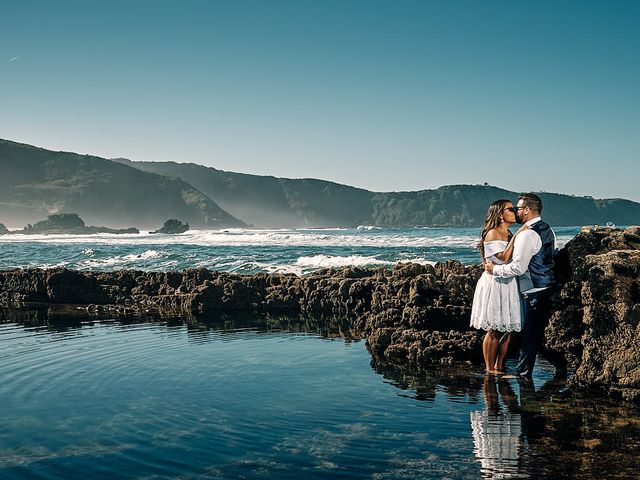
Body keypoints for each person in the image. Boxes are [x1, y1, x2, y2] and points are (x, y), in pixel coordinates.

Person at [485, 193, 556, 377]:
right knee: (531, 333)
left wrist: (495, 270)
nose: (516, 211)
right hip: (546, 286)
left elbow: (517, 267)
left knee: (529, 337)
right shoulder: (547, 228)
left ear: (527, 210)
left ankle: (523, 377)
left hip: (532, 289)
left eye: (518, 208)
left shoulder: (527, 234)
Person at [470, 199, 529, 374]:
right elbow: (502, 258)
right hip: (494, 284)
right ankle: (489, 369)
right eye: (510, 209)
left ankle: (500, 366)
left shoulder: (509, 233)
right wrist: (517, 236)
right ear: (500, 215)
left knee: (510, 327)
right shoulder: (493, 233)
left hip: (508, 282)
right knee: (494, 328)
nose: (514, 211)